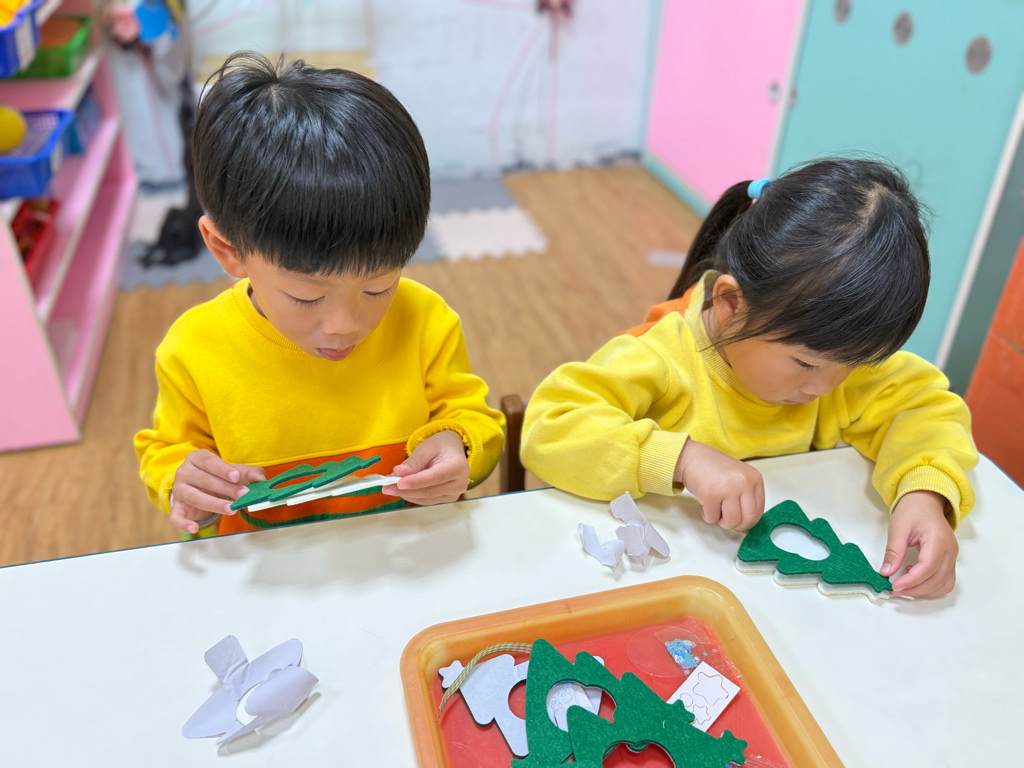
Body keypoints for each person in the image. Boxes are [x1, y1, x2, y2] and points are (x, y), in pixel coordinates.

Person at [521, 158, 977, 598]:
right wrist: (682, 459)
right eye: (805, 364)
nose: (826, 388)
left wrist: (924, 490)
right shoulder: (658, 357)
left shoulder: (831, 356)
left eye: (854, 365)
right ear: (730, 304)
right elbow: (551, 427)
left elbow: (921, 406)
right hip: (656, 584)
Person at [135, 52, 504, 537]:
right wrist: (183, 484)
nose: (345, 325)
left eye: (378, 286)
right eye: (307, 297)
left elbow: (474, 419)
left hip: (406, 553)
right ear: (228, 251)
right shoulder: (194, 349)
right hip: (269, 564)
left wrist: (460, 446)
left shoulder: (424, 319)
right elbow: (167, 455)